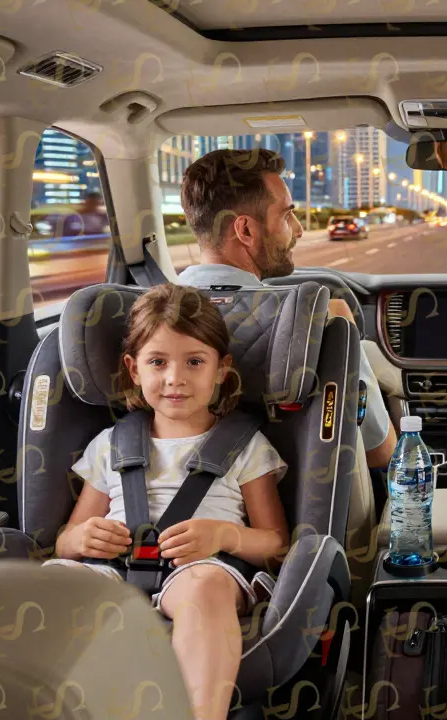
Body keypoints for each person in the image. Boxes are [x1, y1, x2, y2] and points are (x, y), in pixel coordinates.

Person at [45, 284, 290, 720]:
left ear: (220, 369)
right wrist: (82, 538)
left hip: (201, 570)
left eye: (194, 362)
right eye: (158, 362)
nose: (175, 378)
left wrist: (226, 534)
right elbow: (65, 541)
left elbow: (276, 543)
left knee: (203, 590)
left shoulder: (246, 447)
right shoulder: (110, 445)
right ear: (133, 368)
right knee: (56, 588)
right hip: (110, 572)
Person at [172, 148, 398, 470]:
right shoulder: (321, 319)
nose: (299, 229)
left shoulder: (141, 315)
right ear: (246, 231)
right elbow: (380, 452)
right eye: (286, 215)